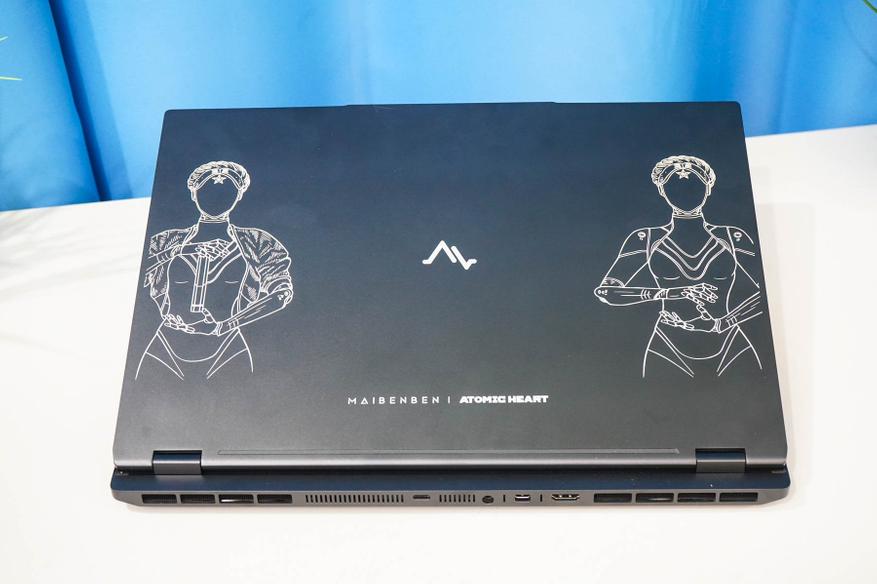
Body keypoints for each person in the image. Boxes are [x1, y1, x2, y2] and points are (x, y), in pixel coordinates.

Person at [594, 155, 762, 377]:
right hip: (668, 344)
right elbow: (606, 292)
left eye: (694, 185)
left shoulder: (732, 237)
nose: (685, 193)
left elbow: (766, 293)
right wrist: (673, 292)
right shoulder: (645, 238)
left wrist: (722, 323)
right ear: (662, 191)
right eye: (674, 186)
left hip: (730, 343)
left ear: (708, 188)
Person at [136, 161, 293, 380]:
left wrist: (222, 326)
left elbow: (282, 294)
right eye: (206, 188)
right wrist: (180, 250)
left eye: (228, 190)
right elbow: (137, 272)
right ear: (193, 193)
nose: (217, 196)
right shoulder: (166, 240)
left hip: (227, 348)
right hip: (166, 344)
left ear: (239, 195)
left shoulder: (256, 241)